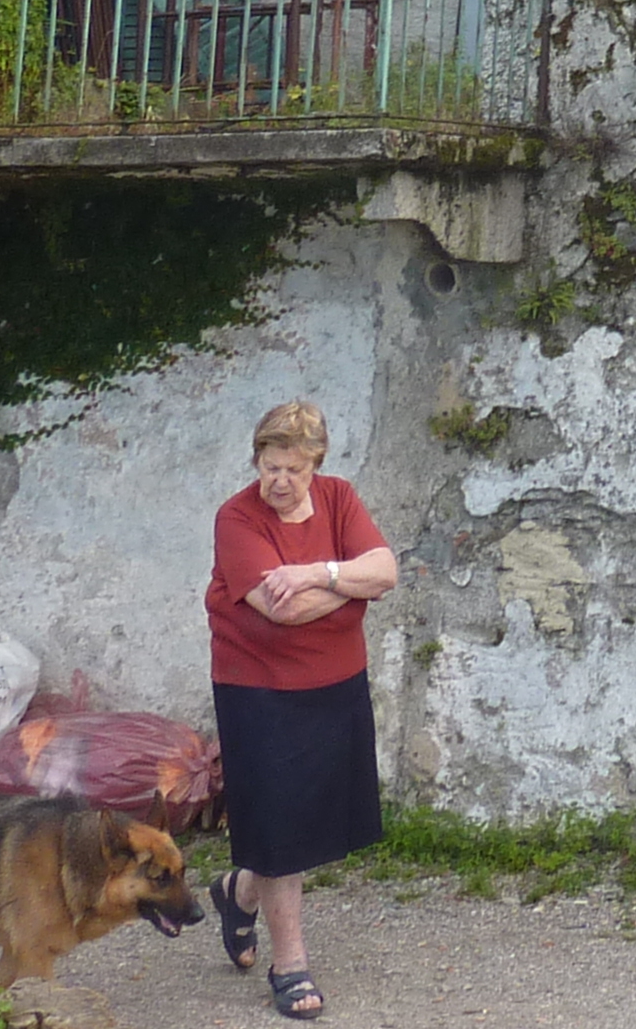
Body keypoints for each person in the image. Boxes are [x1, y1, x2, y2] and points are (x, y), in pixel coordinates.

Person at [206, 401, 396, 1021]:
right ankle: (290, 965)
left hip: (335, 681)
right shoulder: (237, 517)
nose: (278, 480)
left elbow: (385, 570)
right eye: (269, 466)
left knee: (310, 815)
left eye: (292, 468)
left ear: (315, 463)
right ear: (256, 461)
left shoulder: (340, 497)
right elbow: (279, 610)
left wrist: (320, 572)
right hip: (257, 687)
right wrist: (352, 594)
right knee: (281, 824)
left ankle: (238, 892)